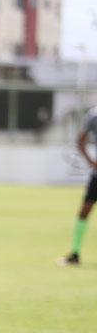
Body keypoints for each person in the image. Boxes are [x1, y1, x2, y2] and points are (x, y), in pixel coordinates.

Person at [58, 105, 97, 265]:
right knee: (84, 210)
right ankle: (74, 253)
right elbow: (80, 140)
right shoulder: (93, 115)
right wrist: (91, 162)